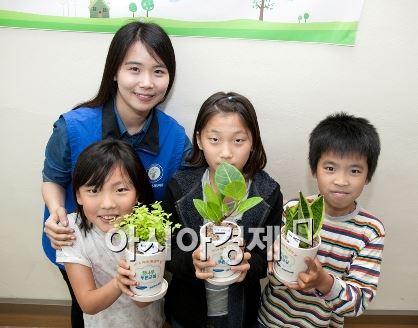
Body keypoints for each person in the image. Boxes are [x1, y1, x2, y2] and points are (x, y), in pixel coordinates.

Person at [41, 21, 191, 326]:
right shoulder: (72, 126)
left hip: (140, 254)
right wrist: (56, 212)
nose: (147, 83)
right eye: (134, 69)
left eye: (158, 71)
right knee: (87, 310)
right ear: (114, 72)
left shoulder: (175, 138)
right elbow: (53, 179)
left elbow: (184, 196)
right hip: (84, 251)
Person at [161, 91, 283, 327]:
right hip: (188, 311)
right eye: (214, 140)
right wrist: (191, 261)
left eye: (238, 140)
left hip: (242, 312)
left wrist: (248, 264)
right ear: (199, 140)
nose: (226, 152)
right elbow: (167, 251)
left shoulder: (268, 194)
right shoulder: (179, 188)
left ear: (253, 142)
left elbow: (267, 254)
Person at [258, 112, 385, 327]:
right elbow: (275, 280)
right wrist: (276, 259)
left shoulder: (370, 231)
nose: (341, 180)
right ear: (314, 170)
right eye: (330, 168)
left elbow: (359, 302)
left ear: (368, 176)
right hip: (271, 320)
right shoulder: (293, 210)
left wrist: (323, 282)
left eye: (354, 170)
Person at [56, 139, 164, 327]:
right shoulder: (72, 232)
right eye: (94, 190)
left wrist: (143, 273)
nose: (107, 204)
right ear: (78, 195)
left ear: (137, 193)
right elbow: (88, 304)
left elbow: (142, 301)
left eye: (121, 189)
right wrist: (118, 283)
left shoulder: (150, 227)